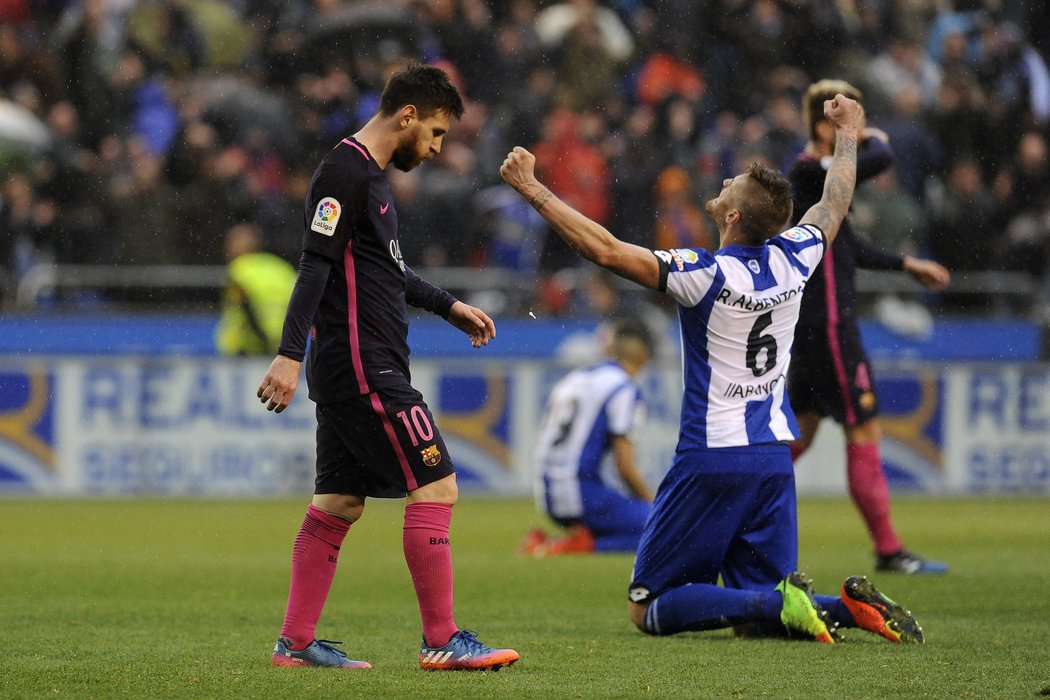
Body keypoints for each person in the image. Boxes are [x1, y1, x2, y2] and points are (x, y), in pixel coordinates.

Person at [500, 93, 924, 644]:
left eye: (729, 187)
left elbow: (603, 250)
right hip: (773, 456)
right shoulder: (796, 256)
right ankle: (843, 607)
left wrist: (533, 189)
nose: (721, 185)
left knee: (649, 607)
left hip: (713, 455)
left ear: (732, 216)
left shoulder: (703, 273)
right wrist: (849, 136)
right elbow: (834, 202)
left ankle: (785, 605)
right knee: (755, 622)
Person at [256, 63, 519, 671]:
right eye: (435, 133)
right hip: (364, 364)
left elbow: (386, 270)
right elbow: (314, 266)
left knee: (339, 502)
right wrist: (289, 354)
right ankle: (442, 639)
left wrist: (449, 305)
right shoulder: (344, 171)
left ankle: (295, 643)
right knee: (437, 483)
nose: (435, 148)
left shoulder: (366, 177)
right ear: (407, 117)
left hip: (352, 367)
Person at [786, 79, 951, 575]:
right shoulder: (808, 170)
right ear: (823, 126)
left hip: (810, 329)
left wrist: (906, 265)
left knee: (798, 434)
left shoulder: (820, 177)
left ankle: (723, 510)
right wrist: (861, 133)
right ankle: (888, 550)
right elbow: (880, 156)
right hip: (832, 329)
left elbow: (849, 247)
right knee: (863, 429)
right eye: (845, 117)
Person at [522, 318, 655, 557]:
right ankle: (568, 547)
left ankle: (558, 540)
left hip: (547, 493)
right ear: (645, 357)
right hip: (581, 493)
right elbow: (624, 466)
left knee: (634, 520)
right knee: (662, 527)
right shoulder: (623, 387)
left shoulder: (575, 378)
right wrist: (654, 505)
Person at [215, 223, 297, 356]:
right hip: (280, 347)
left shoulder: (238, 269)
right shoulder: (281, 268)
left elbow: (244, 306)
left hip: (245, 348)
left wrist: (262, 338)